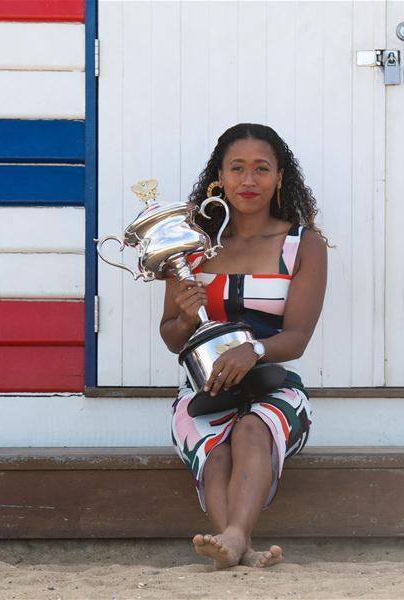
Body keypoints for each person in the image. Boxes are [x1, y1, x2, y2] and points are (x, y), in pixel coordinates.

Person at [159, 123, 328, 569]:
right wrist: (186, 315)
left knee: (253, 430)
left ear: (279, 178)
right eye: (237, 168)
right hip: (203, 389)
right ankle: (236, 545)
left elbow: (297, 338)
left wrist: (251, 349)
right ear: (219, 176)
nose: (248, 180)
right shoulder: (190, 246)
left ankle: (232, 538)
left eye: (261, 169)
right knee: (215, 447)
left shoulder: (304, 245)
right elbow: (172, 336)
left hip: (275, 385)